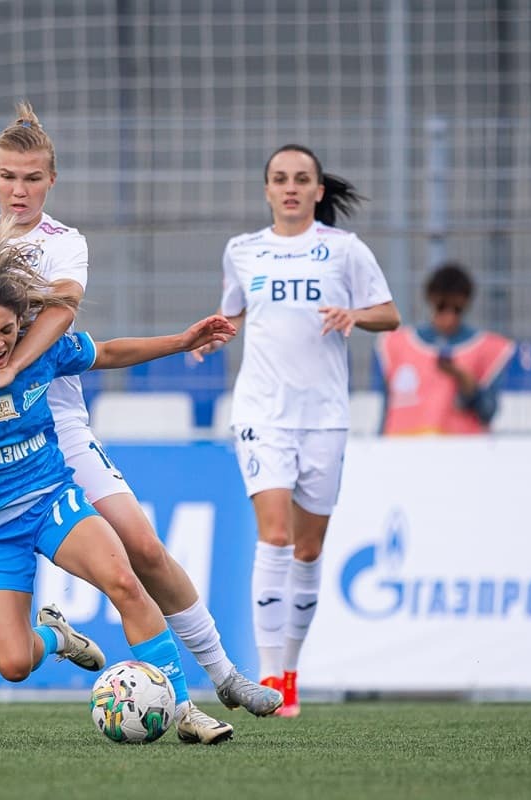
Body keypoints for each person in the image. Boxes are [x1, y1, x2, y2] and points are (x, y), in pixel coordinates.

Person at [0, 102, 282, 744]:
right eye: (9, 177)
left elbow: (65, 313)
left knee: (141, 548)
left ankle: (221, 678)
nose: (20, 189)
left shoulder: (64, 243)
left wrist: (12, 370)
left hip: (53, 423)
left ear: (50, 180)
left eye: (33, 178)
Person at [194, 144, 401, 717]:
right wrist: (211, 334)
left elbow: (389, 313)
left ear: (316, 191)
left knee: (309, 549)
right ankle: (267, 675)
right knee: (277, 536)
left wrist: (354, 316)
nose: (290, 187)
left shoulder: (345, 251)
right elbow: (234, 314)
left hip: (325, 417)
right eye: (280, 178)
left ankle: (290, 666)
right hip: (262, 413)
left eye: (301, 179)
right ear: (267, 190)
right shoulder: (242, 251)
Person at [376, 262, 515, 435]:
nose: (449, 316)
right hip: (405, 449)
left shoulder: (488, 349)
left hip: (459, 453)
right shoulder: (396, 344)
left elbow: (488, 412)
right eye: (442, 307)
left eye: (457, 309)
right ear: (431, 300)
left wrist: (465, 381)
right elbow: (386, 408)